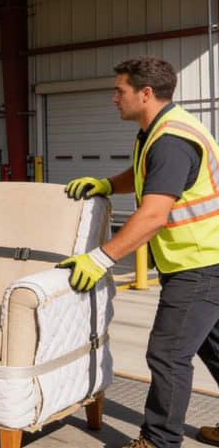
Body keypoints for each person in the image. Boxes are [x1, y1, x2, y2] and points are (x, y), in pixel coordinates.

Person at [60, 56, 219, 448]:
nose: (114, 98)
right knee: (214, 351)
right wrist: (106, 185)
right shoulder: (157, 131)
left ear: (145, 93)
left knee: (167, 354)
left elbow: (152, 216)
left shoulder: (171, 140)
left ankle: (159, 441)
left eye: (120, 90)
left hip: (198, 263)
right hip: (203, 258)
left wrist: (100, 259)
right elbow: (147, 176)